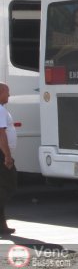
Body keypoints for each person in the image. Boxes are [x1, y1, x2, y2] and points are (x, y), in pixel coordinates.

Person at [0, 83, 17, 235]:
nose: (9, 96)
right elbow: (1, 134)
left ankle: (2, 224)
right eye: (7, 92)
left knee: (4, 187)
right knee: (8, 186)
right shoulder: (0, 110)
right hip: (1, 154)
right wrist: (7, 156)